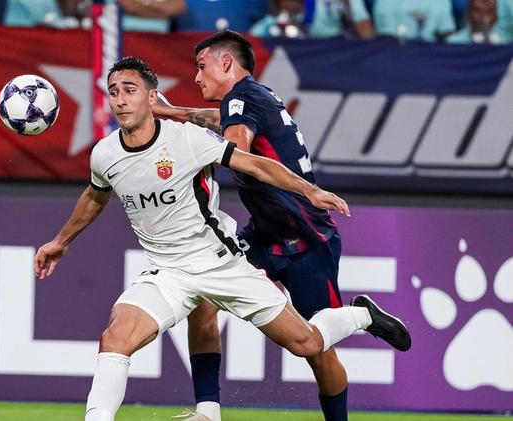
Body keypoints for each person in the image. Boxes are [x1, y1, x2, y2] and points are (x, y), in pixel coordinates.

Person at [34, 57, 411, 421]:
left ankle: (362, 315)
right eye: (113, 91)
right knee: (116, 338)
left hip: (220, 263)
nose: (120, 100)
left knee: (307, 344)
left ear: (151, 97)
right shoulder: (105, 154)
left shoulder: (187, 139)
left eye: (129, 90)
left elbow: (256, 164)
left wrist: (309, 190)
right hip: (167, 272)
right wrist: (60, 242)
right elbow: (95, 197)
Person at [151, 30, 377, 421]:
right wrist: (171, 113)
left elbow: (234, 148)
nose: (197, 77)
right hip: (262, 235)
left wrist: (181, 151)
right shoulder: (253, 97)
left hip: (306, 240)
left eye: (202, 66)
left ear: (226, 62)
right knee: (203, 301)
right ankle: (208, 412)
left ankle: (366, 317)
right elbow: (221, 123)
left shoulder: (242, 98)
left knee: (317, 351)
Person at [249, 0, 374, 40]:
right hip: (309, 57)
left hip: (342, 49)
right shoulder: (281, 16)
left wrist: (373, 51)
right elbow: (254, 36)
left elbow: (362, 23)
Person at [372, 0, 456, 42]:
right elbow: (385, 36)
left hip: (430, 52)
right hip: (397, 52)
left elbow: (446, 32)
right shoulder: (385, 2)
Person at [447, 0, 513, 44]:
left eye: (489, 12)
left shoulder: (507, 43)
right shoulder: (454, 43)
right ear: (469, 14)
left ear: (496, 15)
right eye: (478, 11)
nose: (485, 18)